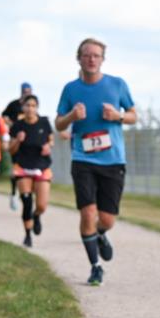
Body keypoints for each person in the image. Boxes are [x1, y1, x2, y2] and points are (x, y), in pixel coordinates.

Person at [55, 37, 137, 286]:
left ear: (102, 59)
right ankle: (95, 267)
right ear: (78, 59)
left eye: (96, 55)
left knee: (107, 219)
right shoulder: (71, 89)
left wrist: (117, 116)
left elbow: (133, 115)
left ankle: (99, 234)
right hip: (83, 159)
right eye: (86, 55)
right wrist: (72, 116)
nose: (91, 59)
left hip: (112, 160)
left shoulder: (117, 84)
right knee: (88, 213)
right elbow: (59, 123)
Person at [8, 94, 54, 247]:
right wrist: (17, 140)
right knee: (27, 202)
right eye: (27, 105)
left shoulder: (44, 122)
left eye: (33, 106)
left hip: (42, 166)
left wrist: (48, 146)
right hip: (23, 166)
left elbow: (51, 140)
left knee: (41, 205)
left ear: (37, 107)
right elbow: (11, 150)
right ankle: (28, 235)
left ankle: (37, 215)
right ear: (23, 108)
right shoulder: (17, 126)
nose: (30, 109)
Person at [2, 82, 34, 211]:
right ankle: (14, 192)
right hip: (16, 139)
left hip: (29, 140)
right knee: (16, 168)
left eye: (29, 91)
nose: (27, 93)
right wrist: (12, 124)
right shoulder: (14, 104)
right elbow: (4, 116)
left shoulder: (32, 105)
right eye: (25, 91)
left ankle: (27, 194)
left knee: (30, 168)